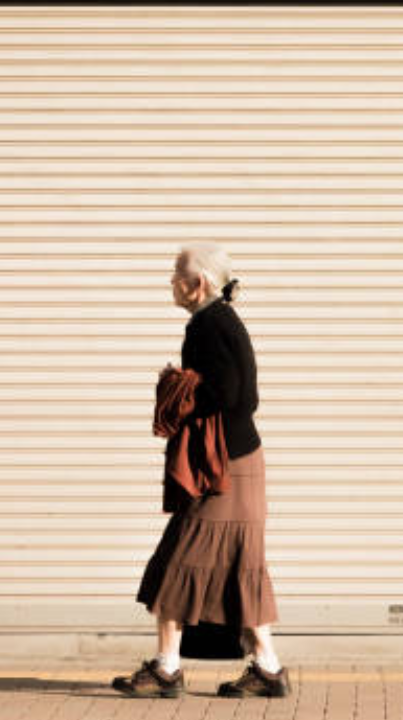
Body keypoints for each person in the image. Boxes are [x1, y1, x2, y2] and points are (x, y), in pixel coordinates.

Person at [113, 242, 289, 699]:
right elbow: (238, 396)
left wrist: (184, 389)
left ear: (200, 284)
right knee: (239, 569)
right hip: (236, 466)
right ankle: (268, 668)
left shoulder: (212, 326)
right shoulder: (216, 322)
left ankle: (168, 668)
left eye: (177, 274)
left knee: (177, 563)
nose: (171, 282)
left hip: (225, 470)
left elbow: (238, 398)